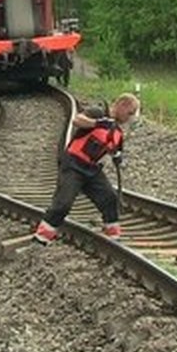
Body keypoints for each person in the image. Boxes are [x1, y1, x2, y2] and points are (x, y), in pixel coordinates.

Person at [33, 93, 141, 244]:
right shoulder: (98, 113)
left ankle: (113, 238)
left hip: (92, 170)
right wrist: (97, 123)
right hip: (73, 165)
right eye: (129, 113)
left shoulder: (117, 131)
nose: (129, 118)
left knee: (110, 199)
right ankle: (41, 238)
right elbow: (77, 120)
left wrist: (117, 156)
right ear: (121, 105)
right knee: (63, 204)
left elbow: (114, 149)